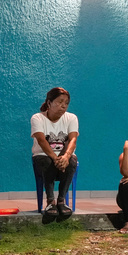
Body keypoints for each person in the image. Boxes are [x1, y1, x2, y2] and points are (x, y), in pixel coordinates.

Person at [30, 86, 78, 218]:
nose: (63, 106)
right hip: (43, 157)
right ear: (49, 103)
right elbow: (41, 140)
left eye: (66, 103)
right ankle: (50, 201)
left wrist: (66, 156)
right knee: (46, 160)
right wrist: (55, 158)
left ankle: (61, 201)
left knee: (73, 161)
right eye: (59, 102)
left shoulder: (71, 118)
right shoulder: (37, 118)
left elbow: (73, 139)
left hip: (63, 158)